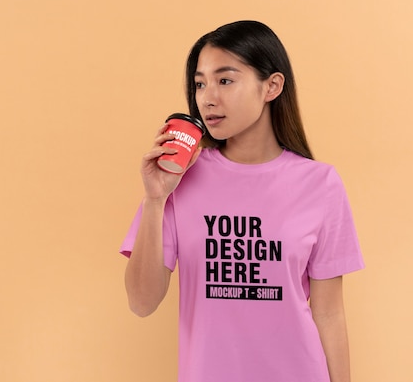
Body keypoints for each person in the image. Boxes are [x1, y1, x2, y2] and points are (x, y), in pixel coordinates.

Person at [120, 20, 364, 382]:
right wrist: (155, 199)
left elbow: (329, 313)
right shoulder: (179, 179)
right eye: (200, 83)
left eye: (225, 80)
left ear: (272, 86)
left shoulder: (320, 184)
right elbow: (141, 303)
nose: (207, 97)